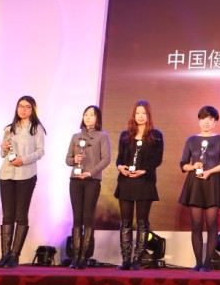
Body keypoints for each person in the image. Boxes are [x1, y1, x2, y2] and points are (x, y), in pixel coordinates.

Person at [178, 106, 220, 272]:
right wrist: (193, 166)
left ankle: (207, 263)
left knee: (212, 224)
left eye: (210, 119)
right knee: (196, 224)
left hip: (213, 182)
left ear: (215, 122)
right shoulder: (191, 140)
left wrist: (209, 172)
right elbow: (183, 164)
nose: (206, 122)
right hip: (195, 184)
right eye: (203, 119)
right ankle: (198, 263)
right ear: (199, 120)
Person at [0, 96, 46, 268]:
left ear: (33, 110)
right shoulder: (9, 128)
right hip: (7, 175)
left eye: (27, 107)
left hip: (26, 175)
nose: (23, 110)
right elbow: (2, 154)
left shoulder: (36, 128)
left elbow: (40, 152)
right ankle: (5, 255)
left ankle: (15, 255)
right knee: (7, 215)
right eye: (20, 106)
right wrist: (3, 148)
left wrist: (23, 160)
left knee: (20, 215)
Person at [114, 100, 164, 270]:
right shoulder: (125, 135)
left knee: (142, 222)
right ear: (133, 115)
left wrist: (143, 171)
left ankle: (137, 259)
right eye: (137, 113)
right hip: (126, 181)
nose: (140, 116)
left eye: (143, 113)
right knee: (125, 222)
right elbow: (119, 159)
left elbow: (157, 160)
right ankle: (125, 259)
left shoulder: (156, 135)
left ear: (148, 115)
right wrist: (120, 167)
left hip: (145, 181)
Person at [65, 105, 111, 270]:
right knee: (77, 216)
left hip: (92, 180)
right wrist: (74, 160)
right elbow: (67, 159)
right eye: (86, 114)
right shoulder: (76, 136)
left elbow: (106, 159)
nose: (88, 117)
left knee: (87, 217)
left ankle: (84, 257)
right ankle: (75, 256)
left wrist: (91, 173)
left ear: (97, 118)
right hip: (75, 180)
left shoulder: (103, 136)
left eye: (92, 115)